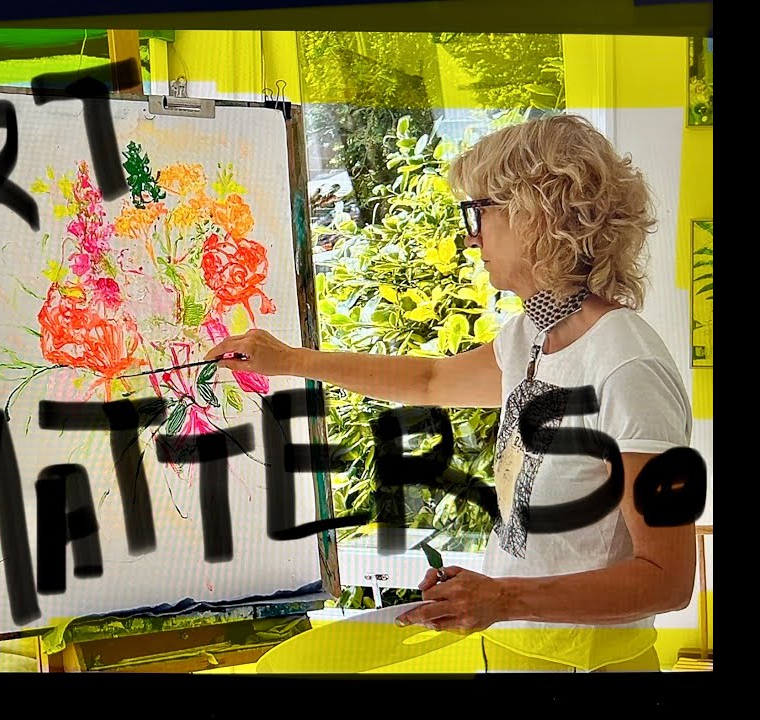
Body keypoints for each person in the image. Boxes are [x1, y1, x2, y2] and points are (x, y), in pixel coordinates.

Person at [204, 114, 695, 673]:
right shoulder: (531, 337)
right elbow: (430, 380)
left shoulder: (628, 366)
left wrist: (504, 598)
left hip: (592, 665)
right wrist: (290, 361)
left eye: (479, 211)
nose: (470, 236)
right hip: (513, 651)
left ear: (537, 212)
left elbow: (668, 579)